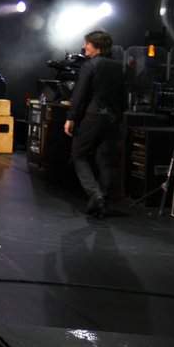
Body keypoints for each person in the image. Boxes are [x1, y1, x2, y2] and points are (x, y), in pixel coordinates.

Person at [64, 30, 126, 218]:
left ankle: (95, 195)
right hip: (113, 118)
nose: (84, 47)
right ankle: (102, 202)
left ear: (97, 47)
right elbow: (123, 95)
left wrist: (71, 117)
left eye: (87, 44)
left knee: (78, 155)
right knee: (105, 160)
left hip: (93, 116)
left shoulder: (89, 66)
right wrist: (118, 116)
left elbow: (79, 94)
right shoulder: (118, 66)